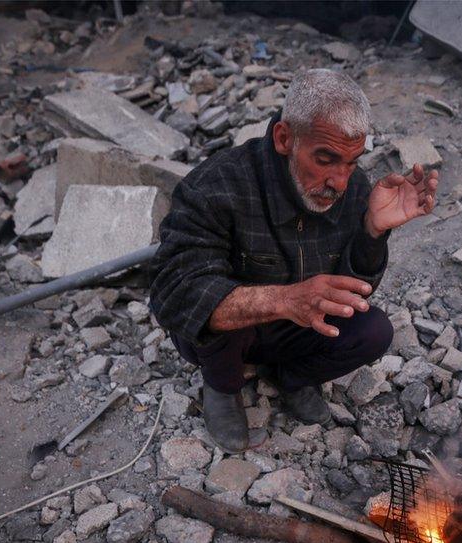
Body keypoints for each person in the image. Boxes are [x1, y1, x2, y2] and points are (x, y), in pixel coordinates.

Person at [149, 68, 439, 452]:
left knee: (374, 331)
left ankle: (289, 378)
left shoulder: (352, 190)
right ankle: (221, 387)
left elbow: (353, 291)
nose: (339, 181)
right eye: (325, 158)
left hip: (294, 327)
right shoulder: (217, 185)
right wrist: (283, 300)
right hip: (224, 338)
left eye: (350, 163)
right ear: (285, 138)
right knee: (222, 304)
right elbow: (176, 296)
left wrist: (372, 231)